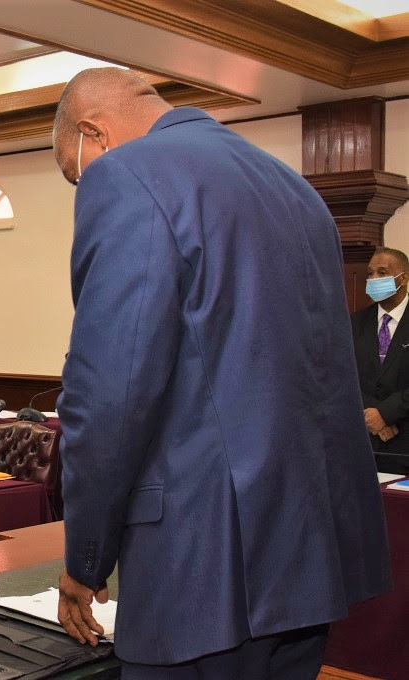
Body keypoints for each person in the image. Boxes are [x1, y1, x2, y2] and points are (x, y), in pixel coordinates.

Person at [50, 68, 391, 679]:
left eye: (73, 172)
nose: (82, 182)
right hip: (307, 553)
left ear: (92, 134)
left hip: (201, 564)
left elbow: (110, 395)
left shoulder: (124, 173)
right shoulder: (293, 186)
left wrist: (86, 557)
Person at [352, 247, 409, 455]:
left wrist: (385, 414)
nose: (373, 279)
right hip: (365, 443)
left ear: (404, 278)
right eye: (370, 273)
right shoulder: (356, 323)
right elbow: (342, 376)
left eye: (382, 272)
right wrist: (373, 416)